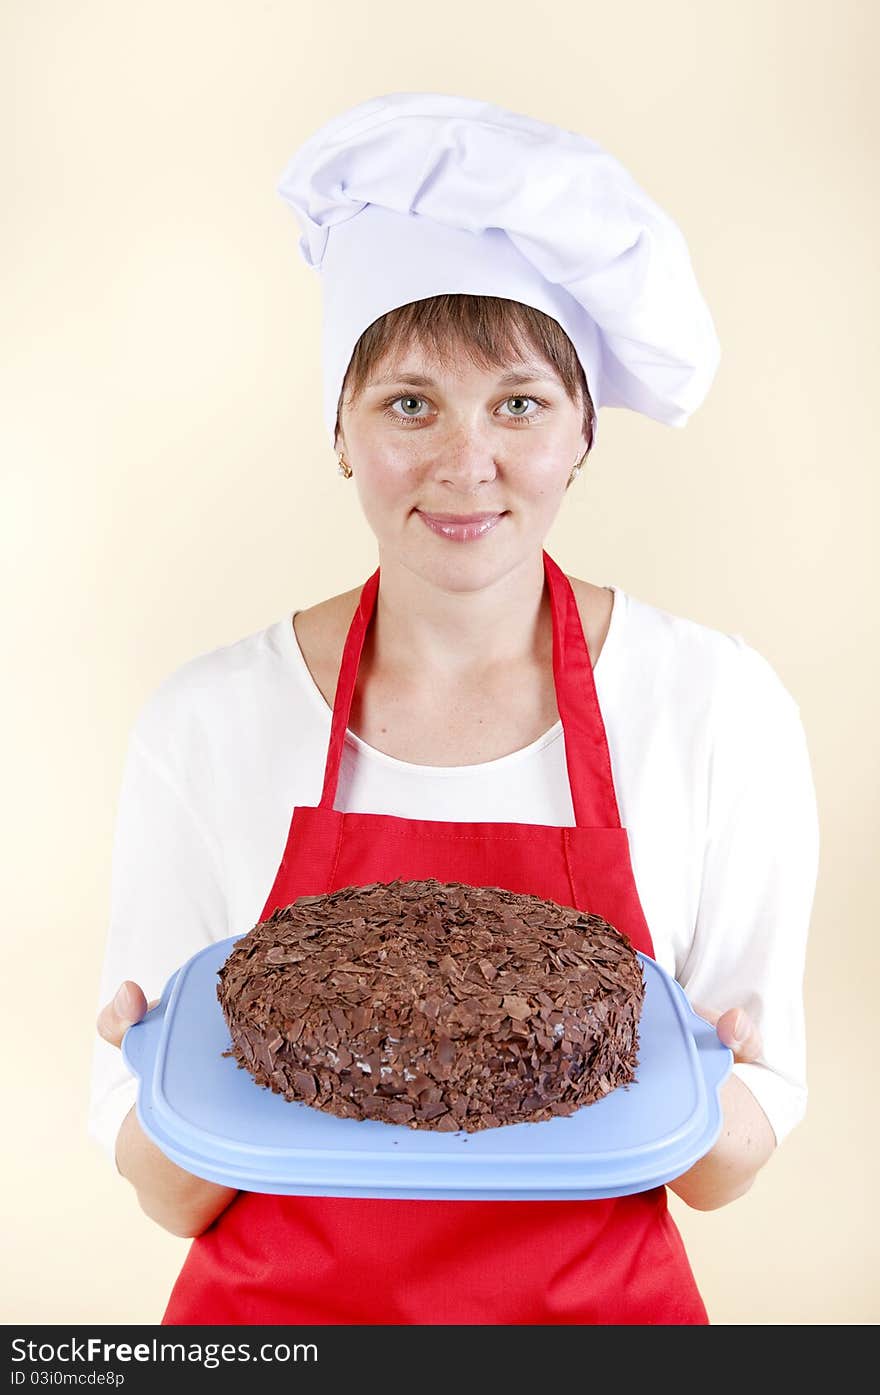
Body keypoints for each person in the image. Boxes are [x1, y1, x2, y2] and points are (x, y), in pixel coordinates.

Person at [89, 93, 819, 1325]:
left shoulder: (712, 707)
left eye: (520, 404)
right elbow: (171, 1200)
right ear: (340, 430)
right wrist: (163, 1077)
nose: (465, 461)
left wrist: (682, 1076)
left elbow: (726, 1172)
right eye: (409, 403)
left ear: (585, 427)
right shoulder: (206, 722)